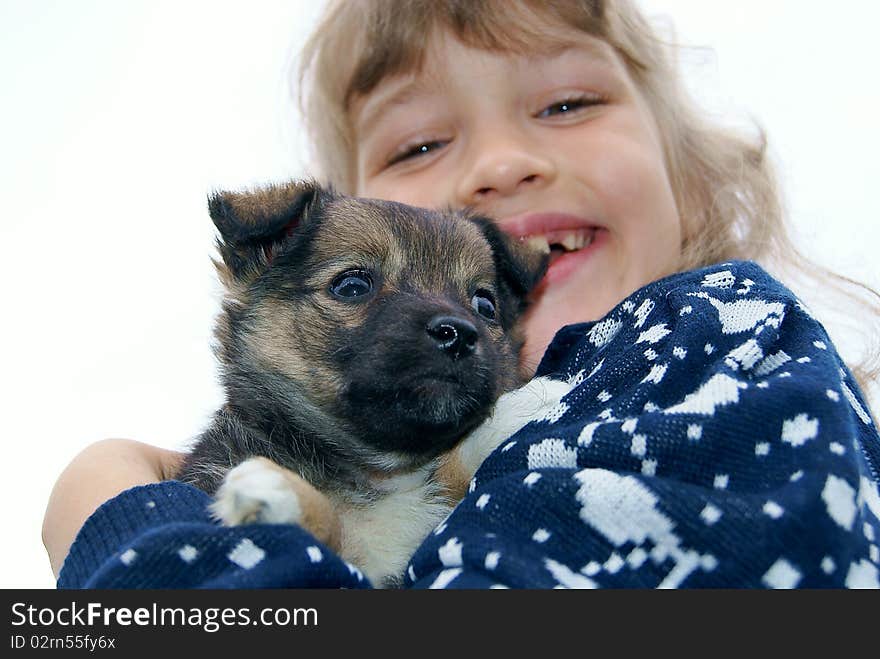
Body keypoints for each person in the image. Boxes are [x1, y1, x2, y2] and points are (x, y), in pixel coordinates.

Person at [43, 0, 880, 588]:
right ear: (265, 265)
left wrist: (117, 519)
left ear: (689, 186)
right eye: (420, 144)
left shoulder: (726, 335)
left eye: (567, 101)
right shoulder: (252, 470)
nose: (498, 164)